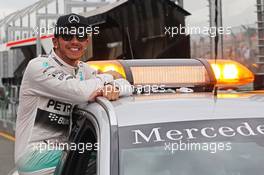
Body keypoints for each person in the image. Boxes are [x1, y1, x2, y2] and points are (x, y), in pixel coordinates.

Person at [14, 13, 132, 175]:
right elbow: (79, 92)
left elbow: (127, 84)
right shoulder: (38, 66)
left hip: (67, 148)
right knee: (110, 153)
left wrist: (115, 88)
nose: (75, 41)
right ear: (55, 42)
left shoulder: (84, 69)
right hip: (33, 155)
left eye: (81, 36)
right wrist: (109, 76)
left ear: (87, 41)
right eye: (68, 35)